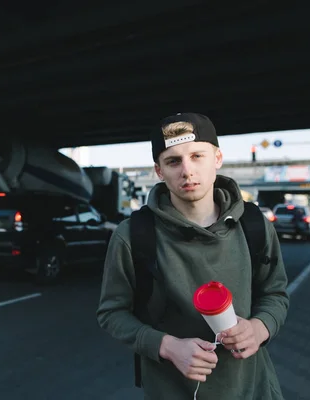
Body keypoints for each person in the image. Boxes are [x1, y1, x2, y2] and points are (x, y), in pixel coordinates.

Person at [97, 113, 289, 399]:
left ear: (217, 158)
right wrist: (167, 346)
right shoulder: (133, 235)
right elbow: (112, 312)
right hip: (170, 390)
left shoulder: (254, 225)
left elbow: (275, 294)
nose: (187, 170)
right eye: (173, 161)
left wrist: (260, 327)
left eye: (197, 156)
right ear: (159, 171)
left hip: (254, 389)